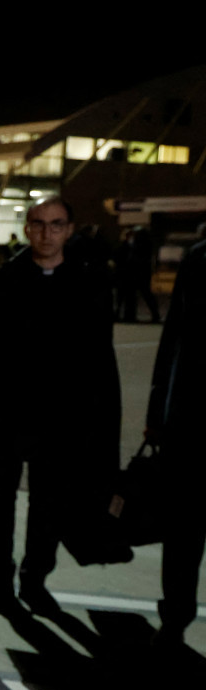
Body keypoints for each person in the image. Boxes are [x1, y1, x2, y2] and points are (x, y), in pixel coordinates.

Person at [0, 196, 121, 615]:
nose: (47, 232)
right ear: (27, 228)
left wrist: (99, 420)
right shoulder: (1, 283)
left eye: (56, 224)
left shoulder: (89, 285)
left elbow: (100, 360)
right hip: (3, 419)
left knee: (48, 506)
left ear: (69, 230)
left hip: (61, 423)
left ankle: (34, 579)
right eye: (39, 224)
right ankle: (0, 582)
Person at [147, 223, 206, 647]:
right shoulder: (199, 258)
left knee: (184, 532)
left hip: (190, 419)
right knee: (184, 530)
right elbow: (175, 341)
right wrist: (157, 411)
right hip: (192, 422)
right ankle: (176, 617)